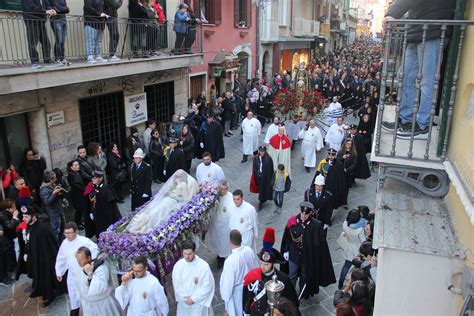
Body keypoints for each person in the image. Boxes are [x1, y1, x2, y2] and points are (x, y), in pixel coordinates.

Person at [383, 0, 455, 139]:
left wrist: (392, 14)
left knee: (427, 81)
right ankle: (406, 120)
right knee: (404, 77)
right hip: (416, 32)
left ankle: (423, 124)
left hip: (432, 32)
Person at [281, 202, 336, 299]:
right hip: (294, 254)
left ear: (311, 213)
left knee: (304, 275)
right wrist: (286, 250)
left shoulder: (316, 225)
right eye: (302, 213)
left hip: (307, 256)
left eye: (306, 214)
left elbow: (320, 244)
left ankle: (303, 293)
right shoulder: (293, 221)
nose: (304, 215)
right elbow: (287, 237)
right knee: (292, 274)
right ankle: (291, 292)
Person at [243, 227, 299, 315]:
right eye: (261, 263)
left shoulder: (283, 279)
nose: (262, 267)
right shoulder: (253, 276)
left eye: (266, 264)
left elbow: (292, 304)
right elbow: (248, 297)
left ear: (273, 264)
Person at [125, 170, 199, 234]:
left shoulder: (183, 185)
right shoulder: (174, 184)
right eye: (175, 177)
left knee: (156, 212)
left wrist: (173, 196)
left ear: (181, 177)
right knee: (152, 211)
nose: (175, 178)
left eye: (177, 177)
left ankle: (140, 227)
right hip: (166, 200)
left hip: (171, 202)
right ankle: (138, 227)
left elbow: (185, 198)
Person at [55, 222, 98, 316]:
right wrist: (59, 271)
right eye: (65, 233)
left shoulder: (84, 241)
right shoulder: (64, 243)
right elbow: (61, 258)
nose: (68, 235)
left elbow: (95, 251)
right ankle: (75, 311)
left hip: (83, 274)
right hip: (72, 275)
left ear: (76, 231)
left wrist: (91, 265)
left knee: (86, 295)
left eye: (70, 233)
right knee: (74, 296)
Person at [24, 206, 62, 307]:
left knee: (46, 277)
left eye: (26, 216)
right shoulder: (30, 227)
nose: (24, 219)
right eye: (23, 216)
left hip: (44, 258)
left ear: (33, 217)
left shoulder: (42, 228)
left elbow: (49, 244)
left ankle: (49, 295)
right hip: (35, 257)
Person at [219, 230, 258, 316]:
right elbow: (255, 267)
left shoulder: (230, 260)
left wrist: (226, 298)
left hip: (237, 292)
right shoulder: (249, 250)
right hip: (250, 287)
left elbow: (227, 282)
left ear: (230, 242)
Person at [172, 240, 215, 316]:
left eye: (189, 254)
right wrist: (185, 297)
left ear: (194, 252)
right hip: (184, 303)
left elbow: (207, 285)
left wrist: (193, 298)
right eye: (185, 253)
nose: (187, 256)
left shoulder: (203, 266)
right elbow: (177, 284)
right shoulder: (178, 266)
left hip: (198, 303)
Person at [75, 247, 122, 315]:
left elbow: (100, 288)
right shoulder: (79, 268)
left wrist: (90, 274)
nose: (78, 262)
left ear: (88, 258)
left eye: (81, 259)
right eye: (77, 260)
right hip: (88, 305)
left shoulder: (101, 268)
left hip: (101, 304)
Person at [87, 170, 122, 238]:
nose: (93, 179)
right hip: (99, 214)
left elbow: (110, 205)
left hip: (106, 215)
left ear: (100, 178)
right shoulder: (95, 188)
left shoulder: (105, 188)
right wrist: (93, 211)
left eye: (95, 178)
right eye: (92, 178)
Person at [207, 181, 234, 269]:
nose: (223, 191)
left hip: (224, 225)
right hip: (215, 222)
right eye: (221, 188)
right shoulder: (214, 195)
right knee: (215, 240)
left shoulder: (231, 198)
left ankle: (221, 258)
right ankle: (219, 254)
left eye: (225, 189)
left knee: (223, 243)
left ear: (228, 189)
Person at [21, 0, 55, 69]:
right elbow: (30, 8)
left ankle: (47, 60)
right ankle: (34, 62)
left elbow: (45, 5)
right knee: (33, 43)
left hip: (41, 20)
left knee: (46, 43)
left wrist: (51, 10)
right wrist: (45, 11)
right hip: (32, 20)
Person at [39, 170, 66, 241]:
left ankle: (61, 242)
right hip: (53, 213)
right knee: (55, 230)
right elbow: (47, 202)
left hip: (59, 209)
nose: (56, 179)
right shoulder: (43, 190)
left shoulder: (53, 185)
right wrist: (54, 193)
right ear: (50, 179)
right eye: (54, 178)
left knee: (62, 228)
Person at [0, 199, 19, 286]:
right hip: (4, 241)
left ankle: (11, 267)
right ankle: (3, 278)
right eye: (13, 207)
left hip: (8, 239)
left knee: (9, 254)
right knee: (3, 259)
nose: (15, 208)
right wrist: (15, 217)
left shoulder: (5, 214)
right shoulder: (3, 216)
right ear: (8, 209)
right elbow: (10, 225)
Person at [250, 146, 274, 211]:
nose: (261, 152)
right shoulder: (256, 158)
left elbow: (270, 169)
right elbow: (255, 167)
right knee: (260, 188)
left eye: (263, 151)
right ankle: (262, 199)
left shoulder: (268, 159)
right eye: (260, 151)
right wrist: (257, 174)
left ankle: (261, 201)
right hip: (259, 177)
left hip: (266, 177)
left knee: (263, 189)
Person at [67, 160, 87, 230]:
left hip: (81, 193)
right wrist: (84, 189)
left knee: (81, 209)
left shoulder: (78, 173)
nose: (78, 166)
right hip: (76, 195)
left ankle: (80, 222)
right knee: (79, 209)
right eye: (75, 165)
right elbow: (74, 185)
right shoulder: (71, 175)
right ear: (71, 167)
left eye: (78, 165)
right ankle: (77, 223)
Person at [50, 0, 70, 65]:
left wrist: (62, 9)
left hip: (63, 20)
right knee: (59, 40)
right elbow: (56, 9)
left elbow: (67, 9)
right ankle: (57, 59)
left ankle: (62, 58)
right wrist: (63, 9)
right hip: (56, 20)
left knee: (63, 41)